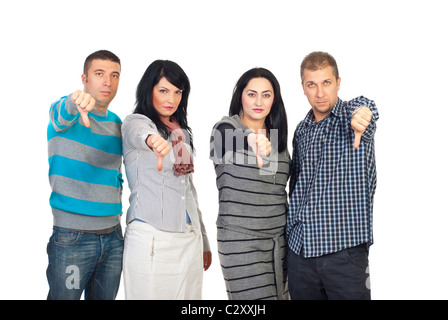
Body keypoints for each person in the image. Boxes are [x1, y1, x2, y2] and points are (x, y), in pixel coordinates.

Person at [286, 51, 379, 300]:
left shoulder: (350, 116)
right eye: (311, 84)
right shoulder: (301, 131)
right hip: (300, 253)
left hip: (344, 254)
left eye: (326, 82)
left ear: (338, 82)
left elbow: (366, 111)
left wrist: (364, 117)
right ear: (303, 88)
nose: (320, 92)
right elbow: (296, 185)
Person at [121, 60, 211, 300]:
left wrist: (202, 238)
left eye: (177, 91)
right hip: (152, 237)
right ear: (148, 90)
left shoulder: (182, 132)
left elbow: (188, 189)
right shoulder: (136, 122)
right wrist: (153, 140)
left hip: (188, 238)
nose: (171, 98)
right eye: (163, 90)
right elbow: (141, 134)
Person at [46, 50, 124, 300]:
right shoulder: (66, 115)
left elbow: (117, 174)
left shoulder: (117, 124)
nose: (107, 82)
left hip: (113, 236)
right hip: (73, 237)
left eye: (114, 75)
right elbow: (60, 113)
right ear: (84, 78)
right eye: (99, 74)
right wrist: (74, 100)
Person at [210, 68, 290, 300]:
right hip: (241, 243)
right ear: (240, 96)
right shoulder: (225, 129)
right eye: (251, 94)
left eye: (266, 95)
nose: (258, 101)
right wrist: (250, 138)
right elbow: (224, 137)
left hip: (280, 244)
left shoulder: (278, 137)